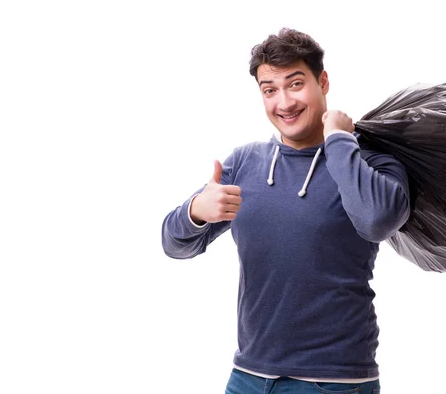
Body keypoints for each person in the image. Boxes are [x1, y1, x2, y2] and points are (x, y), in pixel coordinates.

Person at [162, 28, 410, 393]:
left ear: (322, 82)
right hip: (247, 376)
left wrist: (339, 140)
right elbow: (173, 244)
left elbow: (377, 220)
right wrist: (196, 211)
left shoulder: (369, 162)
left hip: (333, 382)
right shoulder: (245, 162)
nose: (284, 102)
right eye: (269, 89)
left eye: (295, 84)